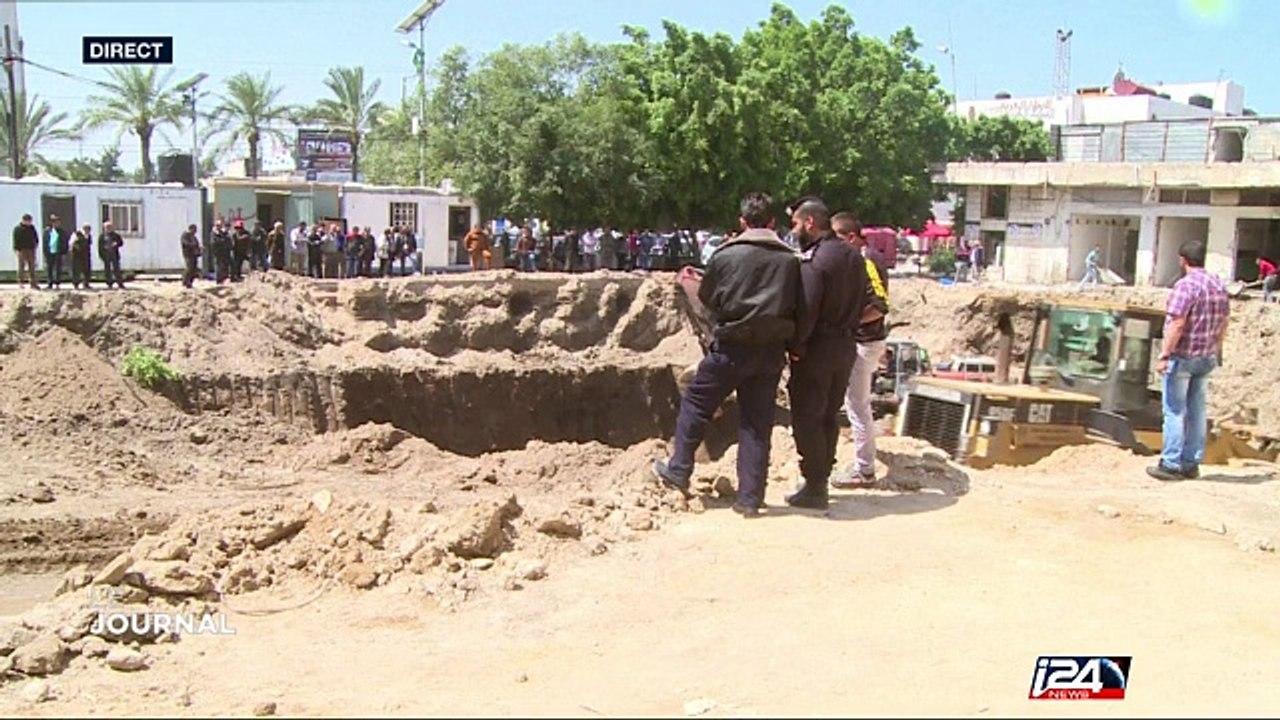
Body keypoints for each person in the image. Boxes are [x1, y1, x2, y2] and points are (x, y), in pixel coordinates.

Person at [651, 192, 802, 518]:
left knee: (696, 403)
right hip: (771, 352)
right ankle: (750, 499)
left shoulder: (725, 255)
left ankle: (679, 468)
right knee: (756, 424)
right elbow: (798, 305)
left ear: (742, 222)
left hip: (731, 347)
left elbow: (706, 297)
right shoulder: (790, 261)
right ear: (773, 223)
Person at [784, 199, 868, 510]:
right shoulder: (854, 257)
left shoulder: (817, 260)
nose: (793, 231)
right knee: (829, 415)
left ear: (809, 223)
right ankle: (820, 479)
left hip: (818, 347)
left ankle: (815, 484)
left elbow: (808, 308)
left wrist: (796, 344)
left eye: (795, 224)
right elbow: (867, 303)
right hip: (846, 347)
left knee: (807, 416)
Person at [1147, 240, 1229, 482]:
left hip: (1182, 357)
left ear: (1182, 260)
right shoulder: (1218, 284)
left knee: (1174, 410)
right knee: (1197, 411)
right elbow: (1224, 322)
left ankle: (1171, 464)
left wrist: (1164, 355)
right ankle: (1191, 463)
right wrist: (1217, 349)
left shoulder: (1185, 286)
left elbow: (1177, 323)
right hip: (1206, 357)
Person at [831, 211, 888, 490]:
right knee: (856, 404)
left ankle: (864, 470)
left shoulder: (867, 261)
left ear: (851, 237)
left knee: (857, 405)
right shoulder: (860, 259)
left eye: (837, 238)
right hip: (866, 341)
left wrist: (848, 322)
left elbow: (878, 305)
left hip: (864, 342)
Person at [12, 213, 39, 289]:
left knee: (32, 267)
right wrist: (16, 249)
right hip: (21, 250)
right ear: (24, 220)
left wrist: (35, 245)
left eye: (30, 221)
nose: (29, 223)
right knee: (21, 266)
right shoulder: (18, 228)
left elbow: (35, 237)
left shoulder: (32, 228)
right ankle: (21, 282)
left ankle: (33, 283)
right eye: (28, 221)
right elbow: (15, 240)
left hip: (31, 249)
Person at [42, 214, 67, 289]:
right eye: (55, 222)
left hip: (58, 252)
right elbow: (45, 242)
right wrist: (45, 251)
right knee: (49, 268)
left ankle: (57, 283)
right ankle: (50, 283)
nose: (56, 224)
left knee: (58, 268)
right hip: (49, 252)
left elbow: (64, 242)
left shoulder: (62, 232)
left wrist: (64, 252)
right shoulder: (47, 231)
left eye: (57, 222)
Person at [99, 220, 125, 289]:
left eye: (110, 227)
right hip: (106, 254)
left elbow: (121, 243)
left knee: (116, 269)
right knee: (107, 270)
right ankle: (109, 283)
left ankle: (120, 283)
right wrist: (101, 255)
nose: (108, 228)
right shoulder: (102, 236)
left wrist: (116, 243)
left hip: (114, 254)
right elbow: (100, 247)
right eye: (107, 227)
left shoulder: (115, 235)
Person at [70, 223, 93, 290]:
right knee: (76, 270)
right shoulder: (77, 234)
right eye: (87, 229)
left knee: (87, 269)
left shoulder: (89, 236)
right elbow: (71, 243)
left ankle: (86, 283)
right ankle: (76, 284)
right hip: (77, 255)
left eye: (89, 229)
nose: (88, 231)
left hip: (86, 254)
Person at [210, 219, 233, 284]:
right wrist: (222, 241)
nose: (219, 227)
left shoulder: (222, 232)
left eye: (220, 225)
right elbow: (214, 242)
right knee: (218, 266)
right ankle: (219, 280)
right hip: (217, 252)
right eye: (218, 225)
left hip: (224, 252)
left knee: (224, 266)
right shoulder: (214, 233)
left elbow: (227, 240)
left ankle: (223, 278)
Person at [180, 224, 201, 288]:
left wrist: (199, 248)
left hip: (194, 255)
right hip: (188, 255)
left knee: (194, 269)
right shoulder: (185, 236)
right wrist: (193, 245)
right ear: (191, 229)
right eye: (194, 230)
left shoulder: (194, 237)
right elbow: (186, 244)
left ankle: (190, 282)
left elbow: (197, 243)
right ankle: (185, 282)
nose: (195, 232)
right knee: (189, 268)